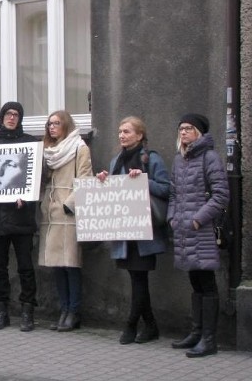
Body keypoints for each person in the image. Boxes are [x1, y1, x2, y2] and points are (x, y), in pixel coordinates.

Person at [96, 116, 169, 344]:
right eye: (119, 131)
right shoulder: (116, 160)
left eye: (126, 131)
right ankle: (151, 326)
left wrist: (143, 180)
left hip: (144, 234)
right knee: (137, 279)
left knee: (139, 280)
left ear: (139, 135)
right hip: (125, 234)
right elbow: (115, 194)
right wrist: (104, 181)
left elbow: (167, 189)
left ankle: (130, 325)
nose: (121, 135)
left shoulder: (151, 158)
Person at [168, 113, 229, 358]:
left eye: (188, 128)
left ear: (199, 132)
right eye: (181, 128)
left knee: (206, 283)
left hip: (200, 230)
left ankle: (209, 339)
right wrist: (173, 218)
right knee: (195, 282)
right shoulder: (178, 160)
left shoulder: (210, 157)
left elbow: (221, 195)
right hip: (183, 231)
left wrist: (197, 219)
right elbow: (173, 194)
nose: (183, 132)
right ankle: (197, 332)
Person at [0, 102, 38, 332]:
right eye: (8, 114)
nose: (12, 118)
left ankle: (27, 311)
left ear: (20, 118)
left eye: (16, 114)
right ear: (1, 117)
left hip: (21, 218)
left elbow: (35, 179)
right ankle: (1, 311)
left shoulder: (30, 144)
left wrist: (27, 197)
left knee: (25, 267)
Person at [39, 110, 92, 332]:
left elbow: (85, 177)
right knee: (56, 265)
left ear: (66, 125)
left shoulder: (79, 147)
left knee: (71, 264)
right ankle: (63, 309)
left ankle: (74, 311)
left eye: (57, 123)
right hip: (49, 211)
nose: (52, 127)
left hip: (68, 211)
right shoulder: (48, 151)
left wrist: (69, 205)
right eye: (50, 124)